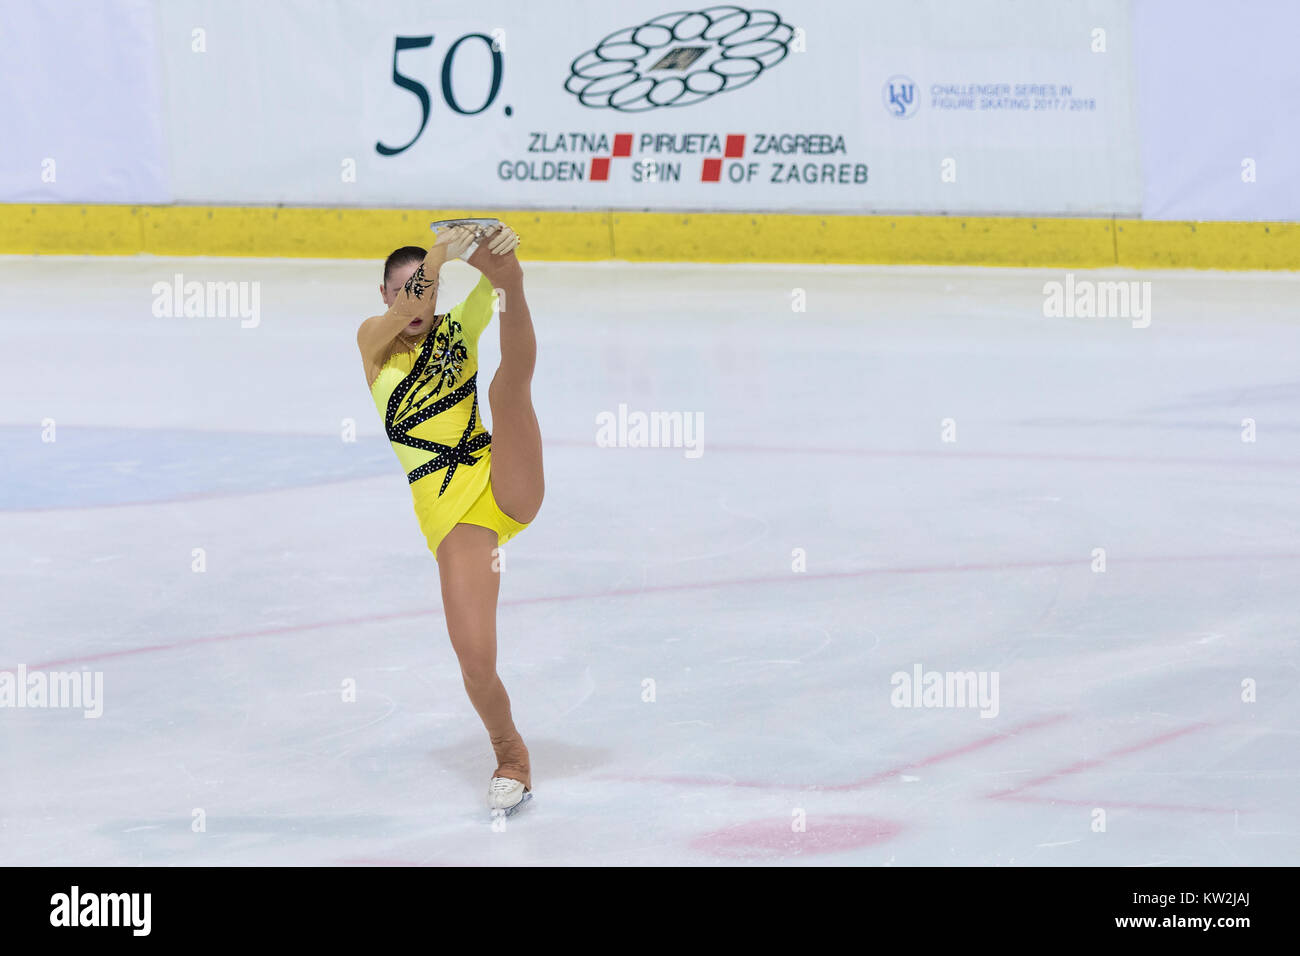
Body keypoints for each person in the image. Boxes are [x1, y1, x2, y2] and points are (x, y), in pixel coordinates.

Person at [356, 222, 543, 815]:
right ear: (385, 296)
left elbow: (505, 310)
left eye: (427, 288)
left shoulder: (458, 326)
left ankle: (510, 757)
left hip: (505, 480)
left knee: (507, 388)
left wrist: (501, 269)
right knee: (474, 657)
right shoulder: (373, 343)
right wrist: (438, 253)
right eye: (406, 289)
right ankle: (510, 751)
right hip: (457, 519)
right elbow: (413, 295)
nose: (418, 298)